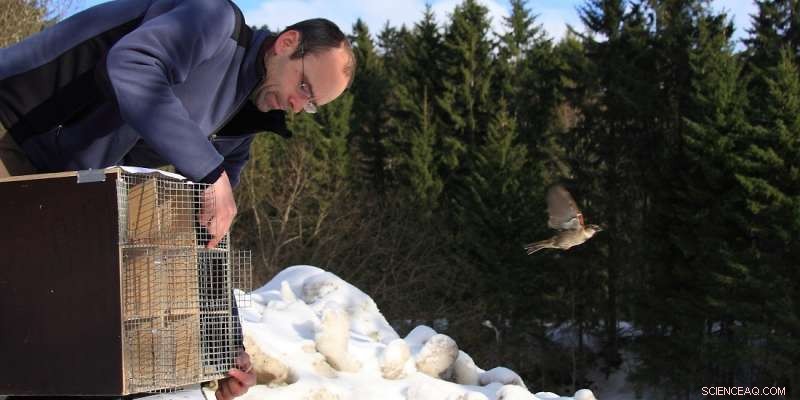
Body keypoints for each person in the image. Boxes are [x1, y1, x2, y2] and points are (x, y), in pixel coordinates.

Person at [0, 0, 355, 399]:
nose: (296, 104)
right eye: (304, 86)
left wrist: (222, 348)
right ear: (287, 43)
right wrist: (209, 170)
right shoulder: (213, 19)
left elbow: (203, 236)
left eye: (310, 104)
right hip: (15, 124)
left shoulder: (238, 129)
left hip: (55, 189)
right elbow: (131, 66)